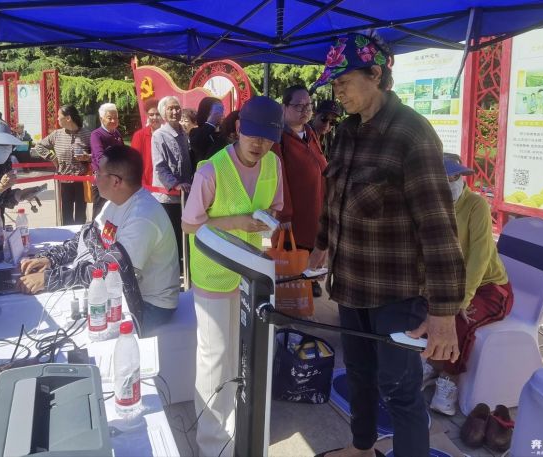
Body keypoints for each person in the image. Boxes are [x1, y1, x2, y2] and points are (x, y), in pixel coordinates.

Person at [308, 33, 466, 457]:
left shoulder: (412, 134)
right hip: (350, 284)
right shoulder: (346, 132)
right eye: (334, 85)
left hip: (397, 292)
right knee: (359, 375)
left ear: (375, 75)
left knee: (399, 388)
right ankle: (361, 449)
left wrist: (443, 313)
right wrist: (321, 245)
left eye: (344, 82)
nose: (338, 93)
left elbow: (438, 228)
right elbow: (334, 196)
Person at [181, 96, 284, 457]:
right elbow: (189, 224)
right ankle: (212, 444)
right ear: (238, 129)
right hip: (214, 274)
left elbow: (275, 206)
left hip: (250, 274)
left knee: (245, 352)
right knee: (215, 357)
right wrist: (238, 222)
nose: (260, 144)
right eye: (254, 135)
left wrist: (267, 219)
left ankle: (238, 426)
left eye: (268, 138)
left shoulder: (273, 164)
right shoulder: (210, 171)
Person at [18, 145, 181, 336]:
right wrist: (51, 259)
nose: (94, 179)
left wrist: (48, 279)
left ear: (116, 181)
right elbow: (88, 237)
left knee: (78, 332)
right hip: (121, 292)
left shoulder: (142, 217)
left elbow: (110, 272)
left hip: (147, 305)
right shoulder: (115, 201)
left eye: (98, 173)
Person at [424, 154, 514, 416]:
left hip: (489, 287)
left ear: (462, 178)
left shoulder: (476, 205)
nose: (449, 182)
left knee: (459, 320)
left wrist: (462, 300)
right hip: (450, 284)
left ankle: (448, 381)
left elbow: (479, 257)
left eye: (454, 177)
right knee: (423, 310)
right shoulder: (431, 206)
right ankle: (432, 365)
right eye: (443, 178)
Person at [274, 84, 327, 298]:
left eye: (308, 105)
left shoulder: (310, 133)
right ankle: (294, 290)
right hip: (295, 212)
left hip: (315, 207)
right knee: (295, 250)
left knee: (312, 245)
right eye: (298, 106)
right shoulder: (279, 138)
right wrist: (284, 213)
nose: (305, 110)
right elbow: (279, 178)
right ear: (284, 108)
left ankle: (309, 281)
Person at [151, 96, 192, 271]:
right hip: (168, 197)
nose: (175, 112)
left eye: (177, 108)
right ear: (163, 113)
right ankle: (174, 271)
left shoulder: (184, 133)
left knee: (185, 235)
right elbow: (159, 167)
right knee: (172, 236)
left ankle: (185, 268)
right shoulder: (158, 136)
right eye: (170, 109)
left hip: (185, 196)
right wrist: (175, 184)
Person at [0, 120, 37, 244]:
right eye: (0, 144)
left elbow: (3, 199)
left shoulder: (5, 163)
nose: (5, 148)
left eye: (8, 144)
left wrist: (20, 195)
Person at [35, 105, 91, 225]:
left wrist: (87, 157)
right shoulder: (56, 134)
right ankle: (66, 234)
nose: (57, 119)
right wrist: (52, 157)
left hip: (82, 180)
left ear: (68, 118)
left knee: (81, 213)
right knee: (66, 213)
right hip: (64, 180)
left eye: (59, 116)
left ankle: (80, 234)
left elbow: (96, 155)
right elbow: (39, 146)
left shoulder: (87, 134)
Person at [91, 103, 124, 216]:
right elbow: (100, 157)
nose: (113, 121)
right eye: (110, 118)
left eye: (116, 118)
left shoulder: (117, 133)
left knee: (115, 213)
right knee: (99, 213)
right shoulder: (96, 135)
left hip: (117, 180)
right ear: (101, 119)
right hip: (103, 180)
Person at [131, 98, 161, 187]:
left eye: (158, 114)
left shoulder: (167, 134)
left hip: (165, 184)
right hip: (146, 183)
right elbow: (134, 162)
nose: (155, 117)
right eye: (151, 115)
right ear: (147, 115)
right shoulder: (139, 135)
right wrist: (142, 183)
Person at [189, 97, 227, 167]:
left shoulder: (225, 133)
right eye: (218, 110)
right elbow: (197, 144)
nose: (222, 114)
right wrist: (211, 122)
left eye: (222, 110)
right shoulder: (195, 132)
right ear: (206, 113)